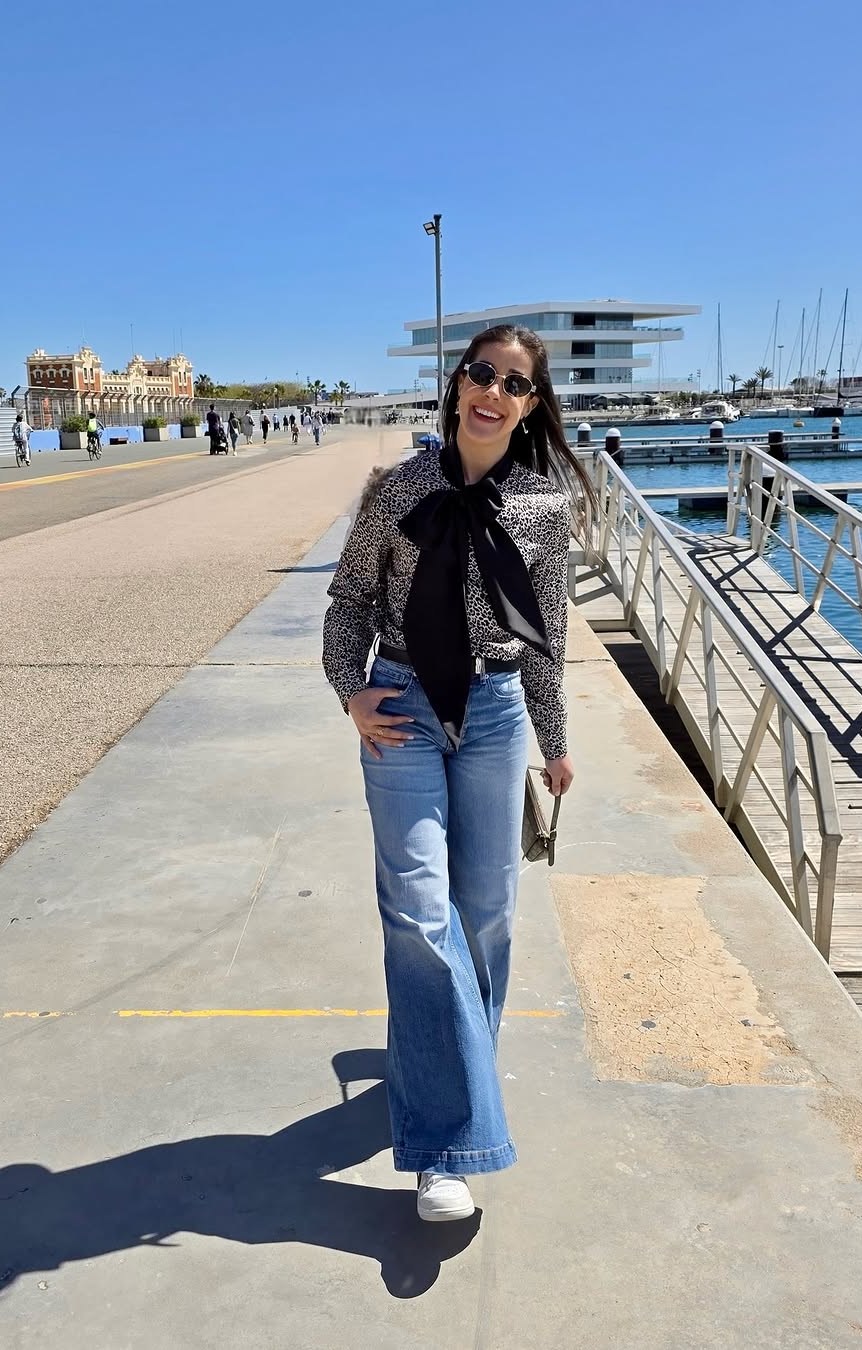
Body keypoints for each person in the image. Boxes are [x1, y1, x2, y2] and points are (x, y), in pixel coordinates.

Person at [322, 324, 593, 1223]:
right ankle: (448, 1145)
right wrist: (350, 692)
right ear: (458, 385)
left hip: (497, 711)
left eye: (513, 384)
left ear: (531, 407)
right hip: (402, 705)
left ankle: (460, 1058)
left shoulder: (545, 506)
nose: (492, 392)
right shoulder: (398, 488)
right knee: (418, 911)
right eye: (481, 373)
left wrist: (555, 741)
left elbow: (546, 637)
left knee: (488, 913)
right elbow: (349, 601)